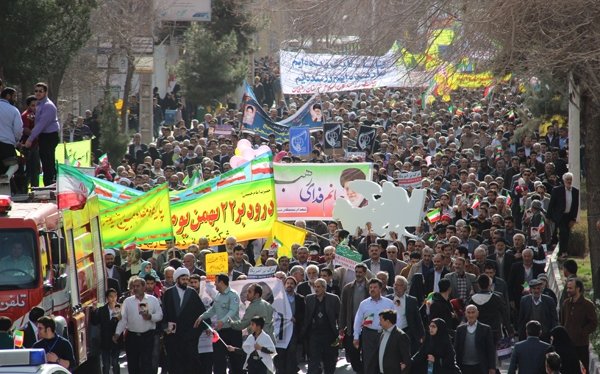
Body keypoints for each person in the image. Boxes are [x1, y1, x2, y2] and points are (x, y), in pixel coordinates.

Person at [194, 273, 243, 374]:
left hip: (233, 331)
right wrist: (202, 316)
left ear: (221, 282)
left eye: (216, 282)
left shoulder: (233, 295)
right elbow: (213, 310)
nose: (215, 284)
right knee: (218, 360)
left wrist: (222, 320)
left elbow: (232, 311)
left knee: (235, 361)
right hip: (220, 332)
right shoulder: (218, 295)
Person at [162, 267, 207, 374]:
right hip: (173, 336)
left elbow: (201, 312)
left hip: (189, 336)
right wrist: (165, 327)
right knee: (175, 364)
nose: (186, 281)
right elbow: (164, 312)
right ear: (177, 279)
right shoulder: (168, 293)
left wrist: (204, 327)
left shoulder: (192, 293)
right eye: (183, 279)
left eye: (187, 279)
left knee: (190, 364)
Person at [114, 277, 163, 374]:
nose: (135, 288)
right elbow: (123, 319)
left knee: (146, 363)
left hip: (148, 336)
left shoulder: (153, 300)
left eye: (138, 286)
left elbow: (160, 315)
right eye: (133, 286)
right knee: (133, 363)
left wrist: (150, 316)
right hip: (132, 337)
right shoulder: (128, 301)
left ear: (144, 287)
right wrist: (117, 333)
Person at [353, 278, 395, 374]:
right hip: (368, 335)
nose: (372, 289)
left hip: (385, 334)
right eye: (370, 287)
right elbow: (358, 320)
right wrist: (356, 337)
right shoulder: (364, 304)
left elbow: (395, 320)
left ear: (380, 289)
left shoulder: (389, 303)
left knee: (385, 359)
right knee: (369, 361)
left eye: (375, 287)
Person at [303, 278, 340, 374]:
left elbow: (339, 315)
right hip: (314, 334)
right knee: (313, 361)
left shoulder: (334, 298)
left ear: (324, 288)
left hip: (329, 334)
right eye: (315, 286)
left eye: (318, 287)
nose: (316, 289)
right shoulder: (309, 298)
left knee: (330, 361)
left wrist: (340, 331)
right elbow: (306, 316)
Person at [25, 82, 60, 186]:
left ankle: (50, 184)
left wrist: (30, 139)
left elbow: (41, 125)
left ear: (46, 92)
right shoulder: (39, 104)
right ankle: (48, 184)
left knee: (48, 161)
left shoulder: (48, 106)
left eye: (41, 91)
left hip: (49, 136)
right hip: (44, 136)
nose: (38, 93)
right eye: (36, 91)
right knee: (45, 160)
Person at [560, 277, 598, 372]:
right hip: (567, 345)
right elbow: (562, 321)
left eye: (570, 288)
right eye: (567, 288)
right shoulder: (566, 303)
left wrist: (582, 332)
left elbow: (593, 323)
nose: (568, 290)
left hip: (581, 346)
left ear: (578, 289)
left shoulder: (587, 305)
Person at [340, 262, 370, 373]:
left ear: (365, 273)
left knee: (367, 352)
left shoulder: (370, 286)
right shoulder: (348, 288)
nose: (358, 274)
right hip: (352, 325)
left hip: (368, 325)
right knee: (353, 353)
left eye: (360, 272)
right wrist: (342, 326)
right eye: (356, 272)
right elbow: (343, 309)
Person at [467, 274, 512, 344]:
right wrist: (510, 331)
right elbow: (505, 316)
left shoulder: (472, 300)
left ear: (478, 285)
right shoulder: (497, 298)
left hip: (478, 332)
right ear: (489, 284)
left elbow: (468, 317)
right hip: (495, 333)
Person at [387, 275, 424, 355]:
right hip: (390, 332)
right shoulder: (387, 299)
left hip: (406, 332)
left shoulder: (411, 300)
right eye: (395, 284)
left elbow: (418, 319)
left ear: (405, 287)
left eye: (399, 285)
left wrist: (421, 334)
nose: (396, 287)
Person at [454, 305, 496, 374]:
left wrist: (492, 367)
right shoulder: (460, 329)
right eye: (468, 312)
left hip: (480, 366)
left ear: (477, 313)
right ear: (465, 314)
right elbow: (456, 349)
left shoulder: (486, 329)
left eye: (473, 312)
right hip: (463, 366)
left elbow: (490, 349)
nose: (471, 315)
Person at [275, 276, 304, 374]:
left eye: (292, 283)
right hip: (282, 330)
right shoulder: (279, 299)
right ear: (284, 285)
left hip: (294, 329)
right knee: (281, 351)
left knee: (292, 351)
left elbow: (303, 313)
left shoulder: (300, 298)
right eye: (287, 283)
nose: (289, 285)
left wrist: (296, 318)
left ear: (295, 286)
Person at [547, 172, 579, 258]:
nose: (569, 181)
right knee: (563, 232)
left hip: (569, 216)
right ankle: (563, 252)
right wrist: (548, 217)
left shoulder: (575, 191)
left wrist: (573, 219)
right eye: (567, 180)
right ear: (564, 180)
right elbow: (551, 204)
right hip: (560, 216)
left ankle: (563, 251)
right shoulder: (557, 190)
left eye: (570, 180)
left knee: (567, 234)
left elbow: (576, 206)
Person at [91, 288, 121, 374]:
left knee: (115, 362)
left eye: (115, 296)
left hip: (116, 340)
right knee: (106, 364)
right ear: (107, 298)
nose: (113, 298)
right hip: (105, 340)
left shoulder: (120, 308)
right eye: (111, 296)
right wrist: (94, 311)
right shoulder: (102, 310)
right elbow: (95, 322)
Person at [377, 309, 411, 374]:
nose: (379, 323)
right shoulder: (383, 334)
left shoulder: (401, 336)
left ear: (387, 321)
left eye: (381, 320)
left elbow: (406, 360)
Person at [0, 87, 23, 181]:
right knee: (13, 164)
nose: (16, 99)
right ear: (8, 96)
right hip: (7, 144)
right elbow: (18, 130)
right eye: (14, 96)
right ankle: (6, 178)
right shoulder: (14, 110)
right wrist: (16, 141)